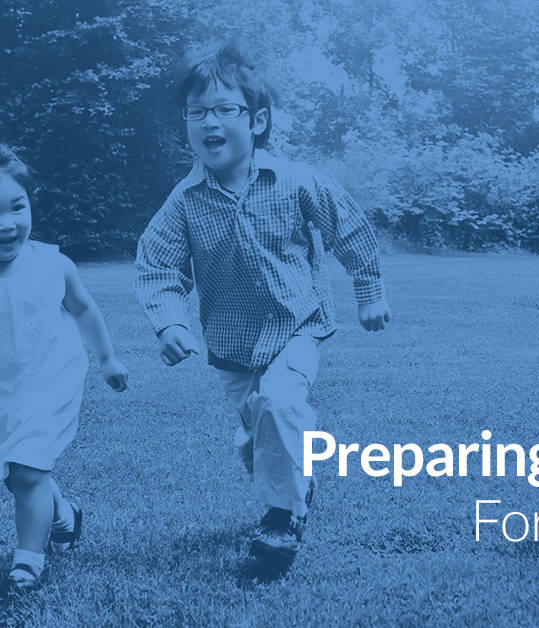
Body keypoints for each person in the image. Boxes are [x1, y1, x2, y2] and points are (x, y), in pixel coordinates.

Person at [135, 42, 390, 565]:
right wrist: (168, 323)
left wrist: (369, 294)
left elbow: (350, 228)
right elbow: (158, 265)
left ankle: (280, 521)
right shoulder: (184, 202)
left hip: (298, 325)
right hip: (231, 344)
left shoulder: (295, 181)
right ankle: (293, 480)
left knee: (280, 403)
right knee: (257, 438)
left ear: (256, 121)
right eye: (197, 112)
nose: (210, 122)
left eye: (225, 109)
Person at [0, 138, 128, 593]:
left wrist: (107, 358)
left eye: (17, 207)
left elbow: (85, 309)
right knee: (18, 474)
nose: (8, 223)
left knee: (29, 468)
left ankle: (28, 560)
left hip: (53, 378)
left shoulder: (54, 264)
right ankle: (66, 516)